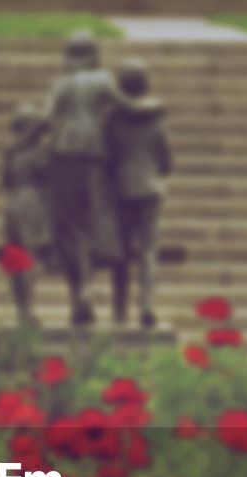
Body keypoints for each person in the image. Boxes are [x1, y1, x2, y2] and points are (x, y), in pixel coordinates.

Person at [42, 31, 130, 326]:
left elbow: (45, 118)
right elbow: (127, 106)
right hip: (93, 153)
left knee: (70, 226)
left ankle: (79, 292)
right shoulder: (103, 80)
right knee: (91, 225)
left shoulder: (62, 84)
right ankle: (87, 289)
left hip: (63, 153)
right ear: (94, 55)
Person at [106, 58, 171, 328]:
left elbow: (108, 157)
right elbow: (166, 161)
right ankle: (146, 306)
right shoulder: (155, 124)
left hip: (121, 188)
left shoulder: (112, 123)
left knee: (120, 253)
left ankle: (119, 311)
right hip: (149, 189)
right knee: (147, 251)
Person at [1, 103, 52, 327]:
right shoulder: (36, 154)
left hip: (12, 203)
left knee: (16, 258)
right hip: (31, 202)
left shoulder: (11, 154)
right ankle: (28, 308)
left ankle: (21, 308)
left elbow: (4, 181)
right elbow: (46, 177)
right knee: (31, 257)